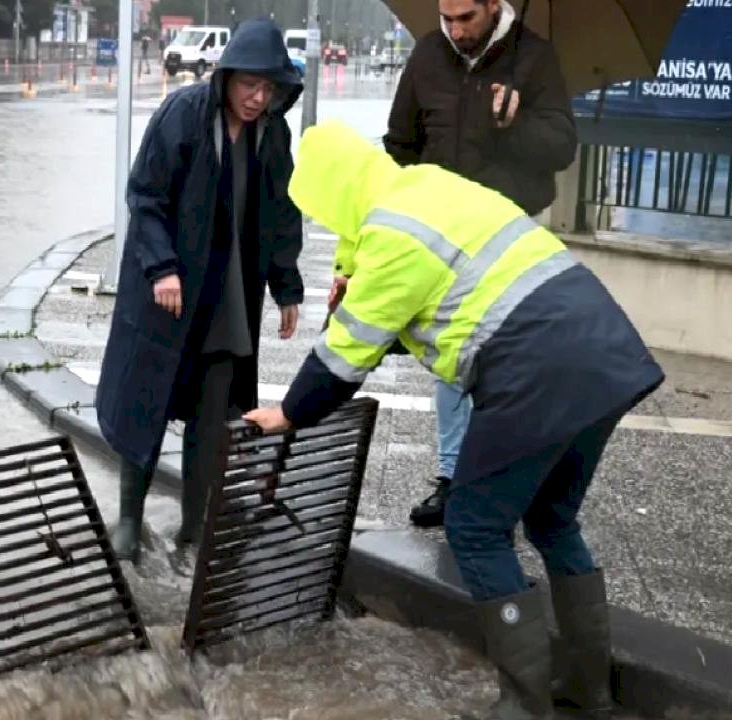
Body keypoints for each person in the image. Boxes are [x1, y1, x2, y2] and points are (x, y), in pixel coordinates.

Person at [246, 120, 662, 720]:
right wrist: (363, 301)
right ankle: (587, 690)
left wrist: (288, 413)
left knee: (474, 526)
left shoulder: (389, 236)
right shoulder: (428, 187)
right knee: (551, 516)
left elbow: (341, 363)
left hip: (535, 367)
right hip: (604, 352)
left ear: (332, 192)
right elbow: (446, 303)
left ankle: (523, 704)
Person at [96, 18, 304, 571]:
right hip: (169, 294)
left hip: (229, 296)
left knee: (213, 419)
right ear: (227, 77)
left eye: (269, 89)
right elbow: (145, 196)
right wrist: (161, 268)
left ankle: (194, 531)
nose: (258, 99)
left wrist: (286, 285)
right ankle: (129, 521)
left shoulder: (273, 134)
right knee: (148, 402)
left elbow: (283, 213)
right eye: (248, 86)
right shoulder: (185, 114)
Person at [382, 0, 577, 528]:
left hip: (509, 235)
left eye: (466, 17)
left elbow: (562, 146)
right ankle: (453, 479)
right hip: (444, 236)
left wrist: (517, 122)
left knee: (507, 362)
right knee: (451, 359)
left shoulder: (534, 57)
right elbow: (400, 145)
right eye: (447, 18)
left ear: (494, 6)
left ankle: (504, 480)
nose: (456, 29)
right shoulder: (427, 55)